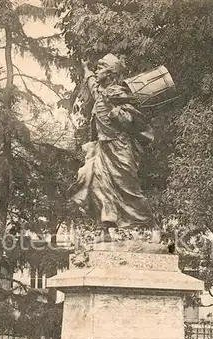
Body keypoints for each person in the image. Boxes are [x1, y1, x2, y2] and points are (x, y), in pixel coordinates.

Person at [68, 53, 155, 242]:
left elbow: (133, 121)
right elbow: (92, 85)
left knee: (128, 188)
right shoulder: (101, 92)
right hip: (102, 148)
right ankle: (105, 229)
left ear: (110, 73)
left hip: (119, 147)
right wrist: (86, 70)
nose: (97, 72)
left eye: (100, 68)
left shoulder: (117, 94)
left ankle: (150, 226)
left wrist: (120, 115)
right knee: (98, 186)